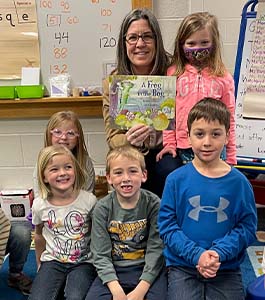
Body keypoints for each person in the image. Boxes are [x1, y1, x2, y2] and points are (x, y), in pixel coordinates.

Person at [158, 98, 257, 300]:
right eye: (200, 134)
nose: (207, 142)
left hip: (225, 265)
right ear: (188, 137)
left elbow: (247, 228)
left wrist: (218, 253)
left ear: (227, 137)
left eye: (216, 134)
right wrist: (197, 255)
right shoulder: (176, 180)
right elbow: (167, 226)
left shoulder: (239, 183)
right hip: (183, 265)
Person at [156, 12, 237, 184]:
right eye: (191, 43)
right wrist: (169, 144)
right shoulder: (173, 75)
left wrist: (231, 156)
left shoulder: (224, 78)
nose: (197, 48)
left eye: (204, 43)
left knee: (213, 186)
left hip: (216, 148)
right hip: (184, 147)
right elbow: (167, 114)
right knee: (190, 186)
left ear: (214, 43)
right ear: (181, 44)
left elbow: (230, 119)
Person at [102, 8, 172, 198]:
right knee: (128, 170)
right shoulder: (115, 81)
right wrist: (129, 140)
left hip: (167, 153)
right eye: (132, 38)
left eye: (147, 36)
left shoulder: (173, 73)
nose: (140, 44)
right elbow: (112, 137)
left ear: (157, 40)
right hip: (131, 152)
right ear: (124, 43)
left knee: (169, 169)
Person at [85, 145, 167, 300]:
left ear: (144, 175)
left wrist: (141, 290)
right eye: (118, 173)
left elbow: (156, 248)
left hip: (147, 268)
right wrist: (115, 290)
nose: (126, 178)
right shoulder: (102, 209)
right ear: (109, 178)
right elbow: (100, 253)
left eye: (133, 171)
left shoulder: (154, 204)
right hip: (114, 270)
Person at [28, 145, 97, 300]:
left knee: (75, 297)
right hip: (52, 261)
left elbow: (96, 234)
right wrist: (40, 263)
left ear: (75, 170)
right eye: (54, 169)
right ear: (44, 176)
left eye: (68, 167)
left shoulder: (89, 201)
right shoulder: (40, 205)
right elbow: (39, 235)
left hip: (83, 262)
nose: (63, 173)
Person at [33, 110, 95, 198]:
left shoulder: (85, 162)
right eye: (58, 132)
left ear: (78, 138)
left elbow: (88, 197)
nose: (64, 137)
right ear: (49, 135)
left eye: (70, 133)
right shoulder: (42, 163)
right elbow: (40, 196)